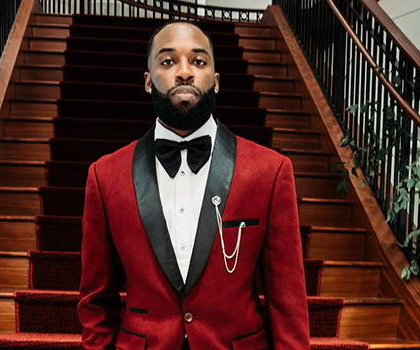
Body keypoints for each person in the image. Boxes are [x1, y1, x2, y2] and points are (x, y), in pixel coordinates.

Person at [78, 20, 310, 349]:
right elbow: (95, 303)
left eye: (198, 61)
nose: (184, 72)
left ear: (215, 82)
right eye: (168, 61)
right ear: (148, 81)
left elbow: (288, 305)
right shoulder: (105, 176)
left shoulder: (270, 172)